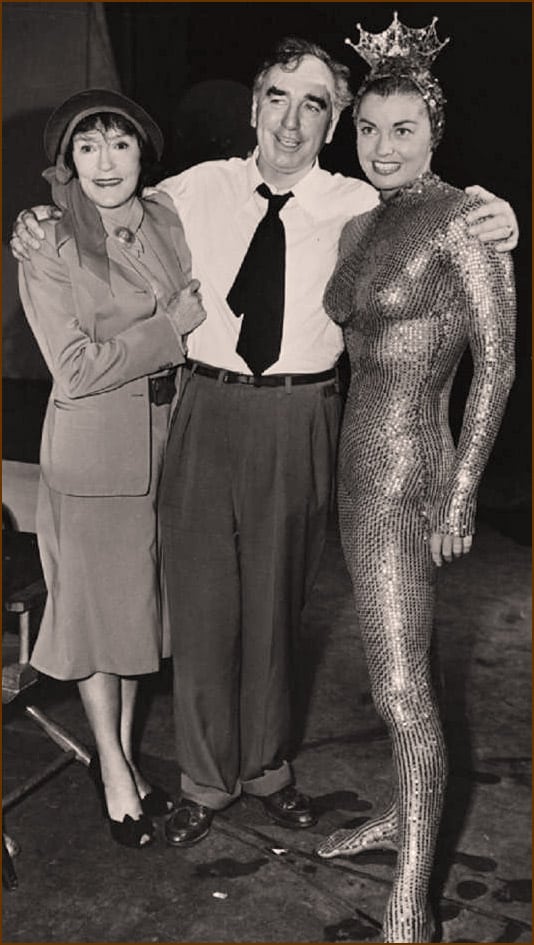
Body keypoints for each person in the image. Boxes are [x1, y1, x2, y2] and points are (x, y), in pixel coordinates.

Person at [10, 38, 519, 851]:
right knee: (205, 609)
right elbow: (105, 201)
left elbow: (444, 207)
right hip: (204, 410)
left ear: (337, 119)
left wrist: (500, 209)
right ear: (253, 107)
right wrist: (41, 213)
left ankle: (270, 771)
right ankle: (207, 781)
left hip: (303, 415)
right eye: (277, 97)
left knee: (280, 606)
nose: (291, 119)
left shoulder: (362, 202)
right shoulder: (189, 190)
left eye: (314, 102)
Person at [314, 15, 516, 943]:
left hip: (411, 476)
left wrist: (464, 488)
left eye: (403, 129)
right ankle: (406, 810)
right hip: (354, 471)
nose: (383, 146)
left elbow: (498, 361)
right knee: (390, 668)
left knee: (401, 691)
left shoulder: (463, 218)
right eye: (368, 127)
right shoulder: (362, 221)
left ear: (435, 132)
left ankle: (413, 903)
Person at [16, 89, 206, 849]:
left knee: (135, 617)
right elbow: (72, 368)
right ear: (67, 161)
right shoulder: (50, 244)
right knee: (99, 623)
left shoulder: (163, 217)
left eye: (119, 143)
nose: (105, 161)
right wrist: (170, 331)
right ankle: (117, 776)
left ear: (141, 154)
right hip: (94, 460)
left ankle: (117, 755)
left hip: (164, 448)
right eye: (87, 146)